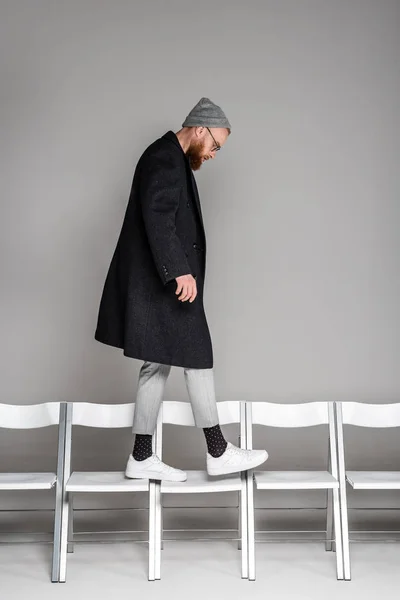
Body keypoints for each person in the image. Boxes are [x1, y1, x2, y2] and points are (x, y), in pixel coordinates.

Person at [94, 97, 268, 481]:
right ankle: (218, 451)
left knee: (156, 364)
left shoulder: (170, 156)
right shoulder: (164, 156)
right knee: (196, 355)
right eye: (215, 145)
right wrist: (179, 272)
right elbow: (157, 216)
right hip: (166, 282)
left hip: (158, 281)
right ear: (200, 129)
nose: (214, 153)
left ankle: (141, 457)